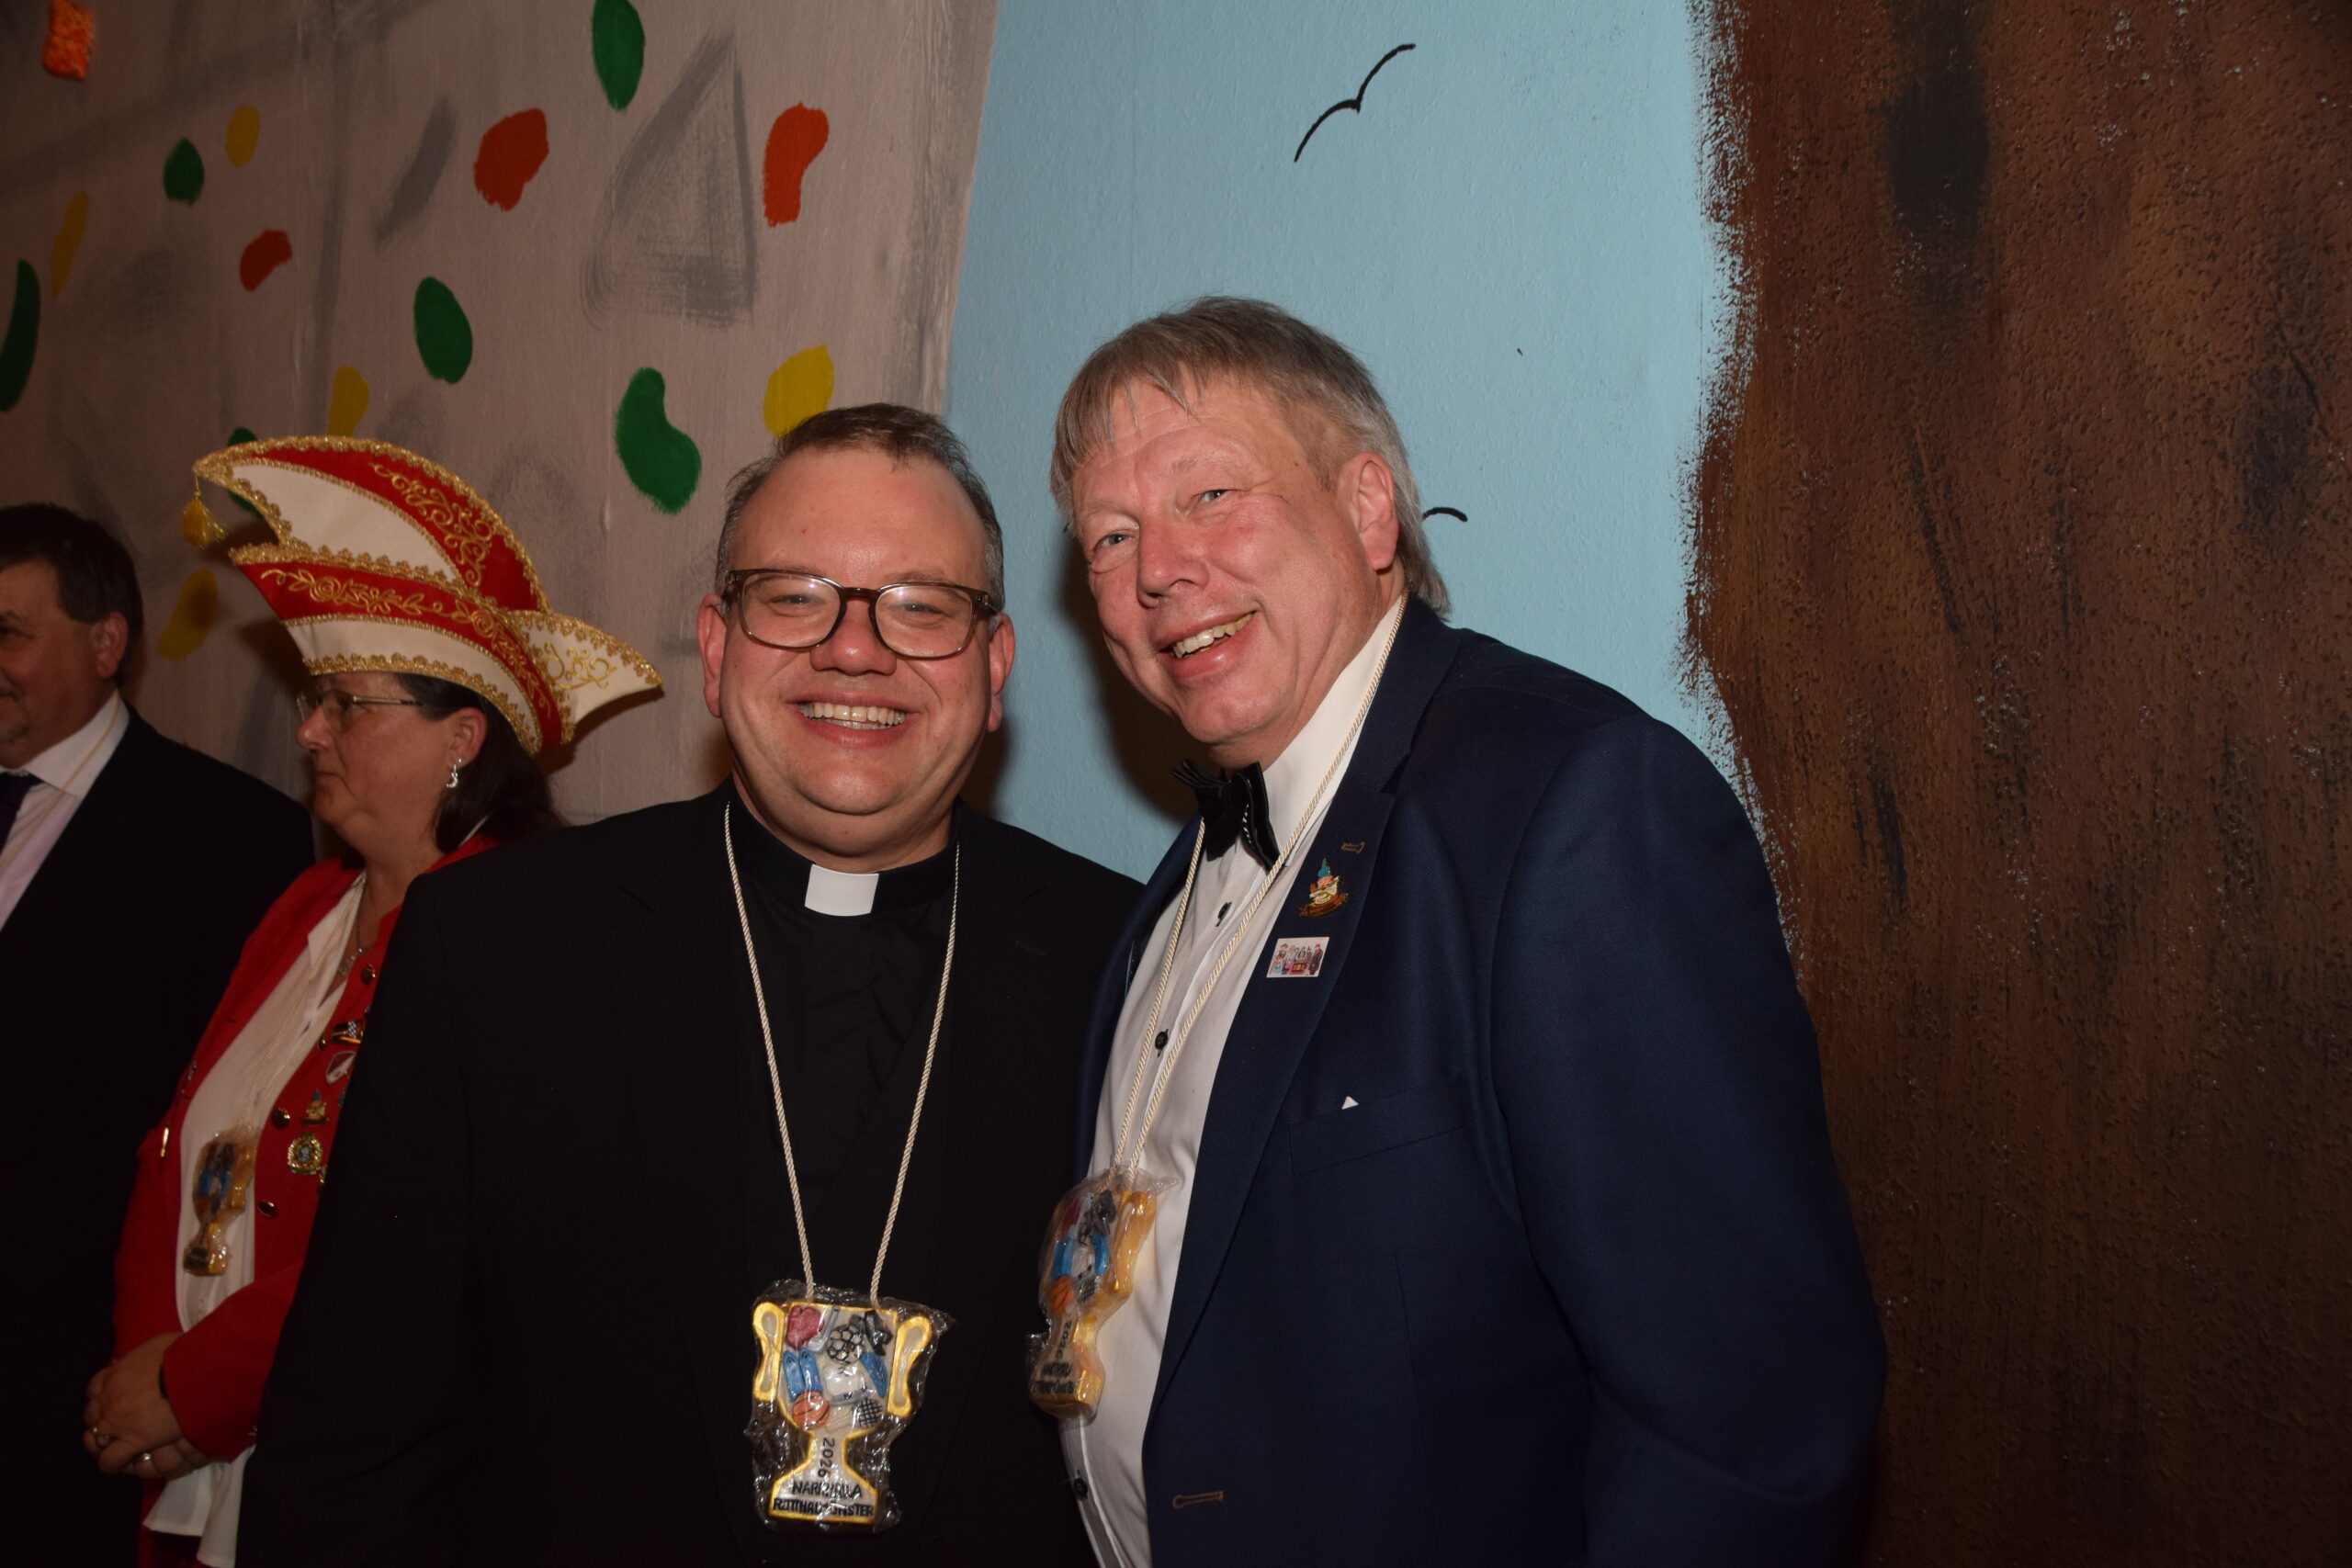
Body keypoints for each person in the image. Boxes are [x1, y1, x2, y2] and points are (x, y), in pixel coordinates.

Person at [1047, 299, 1886, 1566]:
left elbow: (1749, 1420)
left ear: (1368, 509)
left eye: (1210, 494)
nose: (1158, 567)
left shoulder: (1573, 805)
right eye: (1112, 536)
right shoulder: (1176, 884)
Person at [240, 406, 1138, 1565]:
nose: (854, 650)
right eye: (792, 596)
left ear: (994, 667)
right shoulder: (497, 946)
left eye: (922, 606)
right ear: (716, 651)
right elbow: (354, 1439)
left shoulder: (1123, 958)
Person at [84, 435, 660, 1566]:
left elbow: (412, 1248)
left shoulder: (520, 941)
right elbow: (182, 1141)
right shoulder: (306, 903)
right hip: (196, 1461)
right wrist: (147, 1367)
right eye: (315, 701)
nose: (308, 731)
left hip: (362, 1482)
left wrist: (195, 1388)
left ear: (461, 740)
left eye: (346, 704)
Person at [0, 504, 313, 1562]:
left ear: (106, 643)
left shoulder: (229, 836)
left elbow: (207, 1117)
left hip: (70, 1384)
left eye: (7, 633)